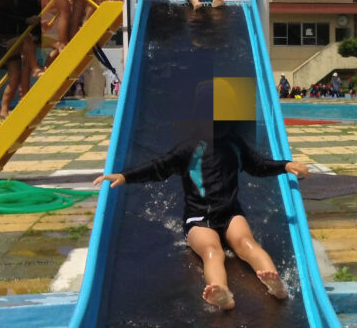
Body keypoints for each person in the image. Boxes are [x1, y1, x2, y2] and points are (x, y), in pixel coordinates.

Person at [94, 124, 308, 310]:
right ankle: (222, 293)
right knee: (212, 251)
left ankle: (275, 283)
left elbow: (258, 165)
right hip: (199, 218)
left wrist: (285, 165)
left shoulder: (235, 144)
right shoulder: (189, 149)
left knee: (246, 242)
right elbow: (158, 167)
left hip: (230, 213)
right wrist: (125, 176)